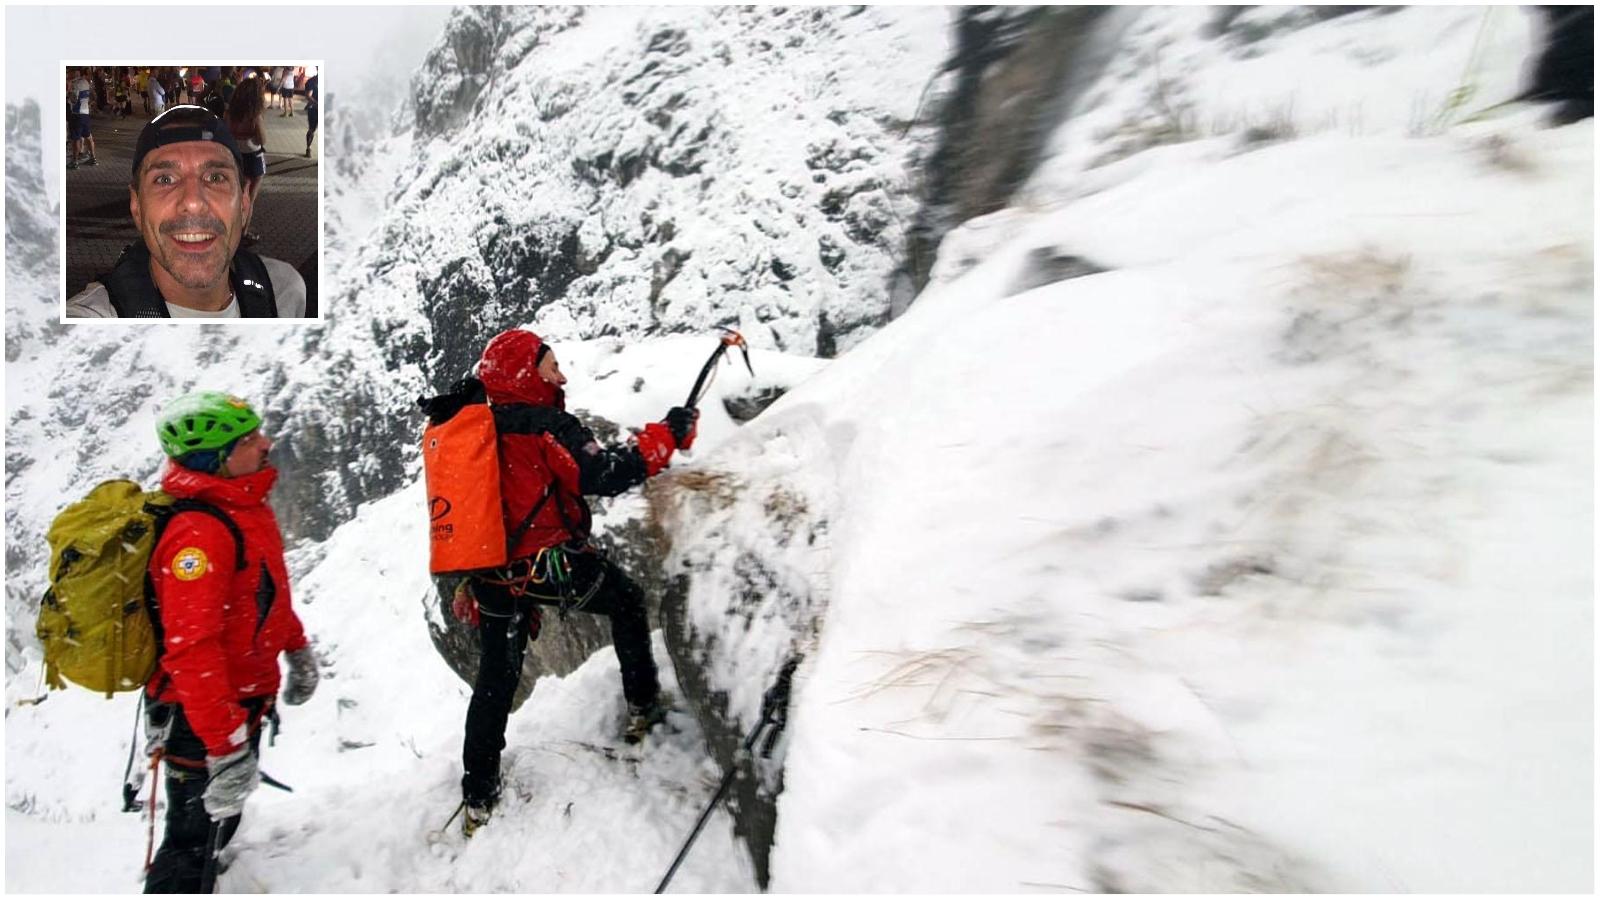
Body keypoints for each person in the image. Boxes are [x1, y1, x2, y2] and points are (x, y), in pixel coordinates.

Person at [444, 328, 695, 836]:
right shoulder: (548, 425)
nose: (561, 375)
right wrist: (666, 435)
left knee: (496, 678)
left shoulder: (476, 428)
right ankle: (643, 707)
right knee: (625, 601)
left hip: (493, 573)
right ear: (524, 374)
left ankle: (478, 794)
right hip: (547, 567)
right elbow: (604, 473)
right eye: (550, 366)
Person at [140, 390, 318, 893]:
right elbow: (191, 649)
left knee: (217, 831)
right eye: (250, 439)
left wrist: (296, 647)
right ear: (217, 458)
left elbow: (264, 598)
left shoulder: (245, 508)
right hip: (202, 719)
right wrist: (224, 746)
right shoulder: (199, 534)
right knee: (188, 847)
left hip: (242, 700)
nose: (266, 443)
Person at [65, 105, 307, 318]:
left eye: (215, 177)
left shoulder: (284, 291)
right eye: (165, 179)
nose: (193, 202)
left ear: (244, 202)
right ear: (136, 206)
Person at [226, 78, 268, 242]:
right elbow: (262, 140)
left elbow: (228, 134)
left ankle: (231, 229)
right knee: (249, 198)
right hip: (254, 159)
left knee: (237, 195)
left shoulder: (230, 113)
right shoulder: (254, 116)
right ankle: (243, 234)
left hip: (237, 157)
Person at [67, 68, 97, 169]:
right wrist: (87, 103)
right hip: (85, 113)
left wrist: (68, 94)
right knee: (88, 136)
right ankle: (93, 158)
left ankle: (75, 162)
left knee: (76, 139)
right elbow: (93, 96)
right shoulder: (86, 83)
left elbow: (74, 99)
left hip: (77, 114)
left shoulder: (75, 84)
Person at [303, 69, 319, 158]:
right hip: (314, 109)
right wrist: (317, 104)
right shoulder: (311, 81)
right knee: (312, 130)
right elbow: (308, 95)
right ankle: (308, 148)